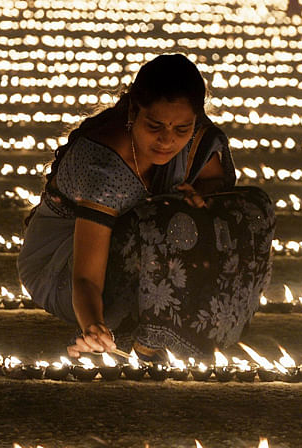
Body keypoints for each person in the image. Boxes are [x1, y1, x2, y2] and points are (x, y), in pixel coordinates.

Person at [17, 53, 275, 362]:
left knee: (251, 210)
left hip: (137, 247)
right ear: (133, 111)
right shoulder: (105, 167)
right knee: (170, 221)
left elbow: (216, 182)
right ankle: (145, 342)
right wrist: (93, 325)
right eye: (155, 126)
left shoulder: (198, 139)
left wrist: (200, 194)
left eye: (181, 129)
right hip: (63, 267)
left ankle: (191, 328)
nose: (167, 140)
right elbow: (85, 277)